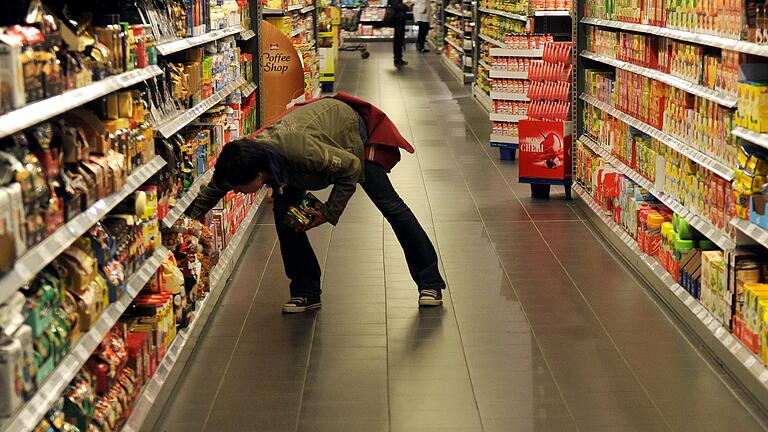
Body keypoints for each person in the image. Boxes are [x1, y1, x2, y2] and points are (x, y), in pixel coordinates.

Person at [186, 93, 446, 313]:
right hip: (306, 151)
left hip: (350, 135)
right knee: (285, 216)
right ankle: (306, 290)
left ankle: (429, 282)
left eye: (240, 189)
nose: (239, 194)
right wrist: (187, 222)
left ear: (259, 175)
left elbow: (350, 168)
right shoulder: (244, 158)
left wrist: (329, 212)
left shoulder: (302, 152)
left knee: (391, 206)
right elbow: (217, 188)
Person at [389, 0, 410, 66]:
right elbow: (396, 6)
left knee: (399, 39)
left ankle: (398, 58)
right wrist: (406, 6)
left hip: (399, 18)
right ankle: (397, 59)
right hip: (398, 19)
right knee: (398, 39)